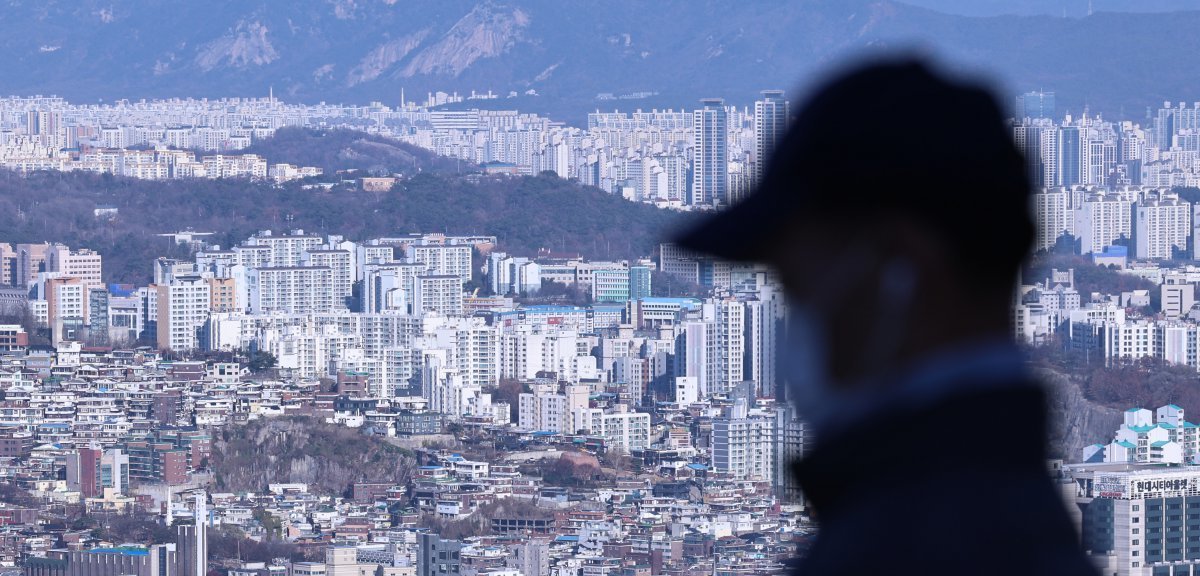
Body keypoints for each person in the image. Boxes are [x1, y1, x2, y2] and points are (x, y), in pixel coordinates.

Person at [675, 58, 1098, 575]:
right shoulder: (1015, 516)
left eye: (797, 284)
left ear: (903, 271)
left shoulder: (901, 545)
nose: (796, 319)